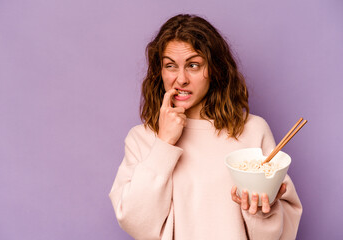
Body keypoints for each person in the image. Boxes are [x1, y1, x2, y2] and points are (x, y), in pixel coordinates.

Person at [109, 14, 302, 240]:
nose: (181, 79)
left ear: (214, 69)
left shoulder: (252, 131)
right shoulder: (141, 138)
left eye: (193, 65)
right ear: (159, 72)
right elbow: (134, 221)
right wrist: (163, 143)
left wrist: (260, 213)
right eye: (170, 66)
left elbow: (282, 231)